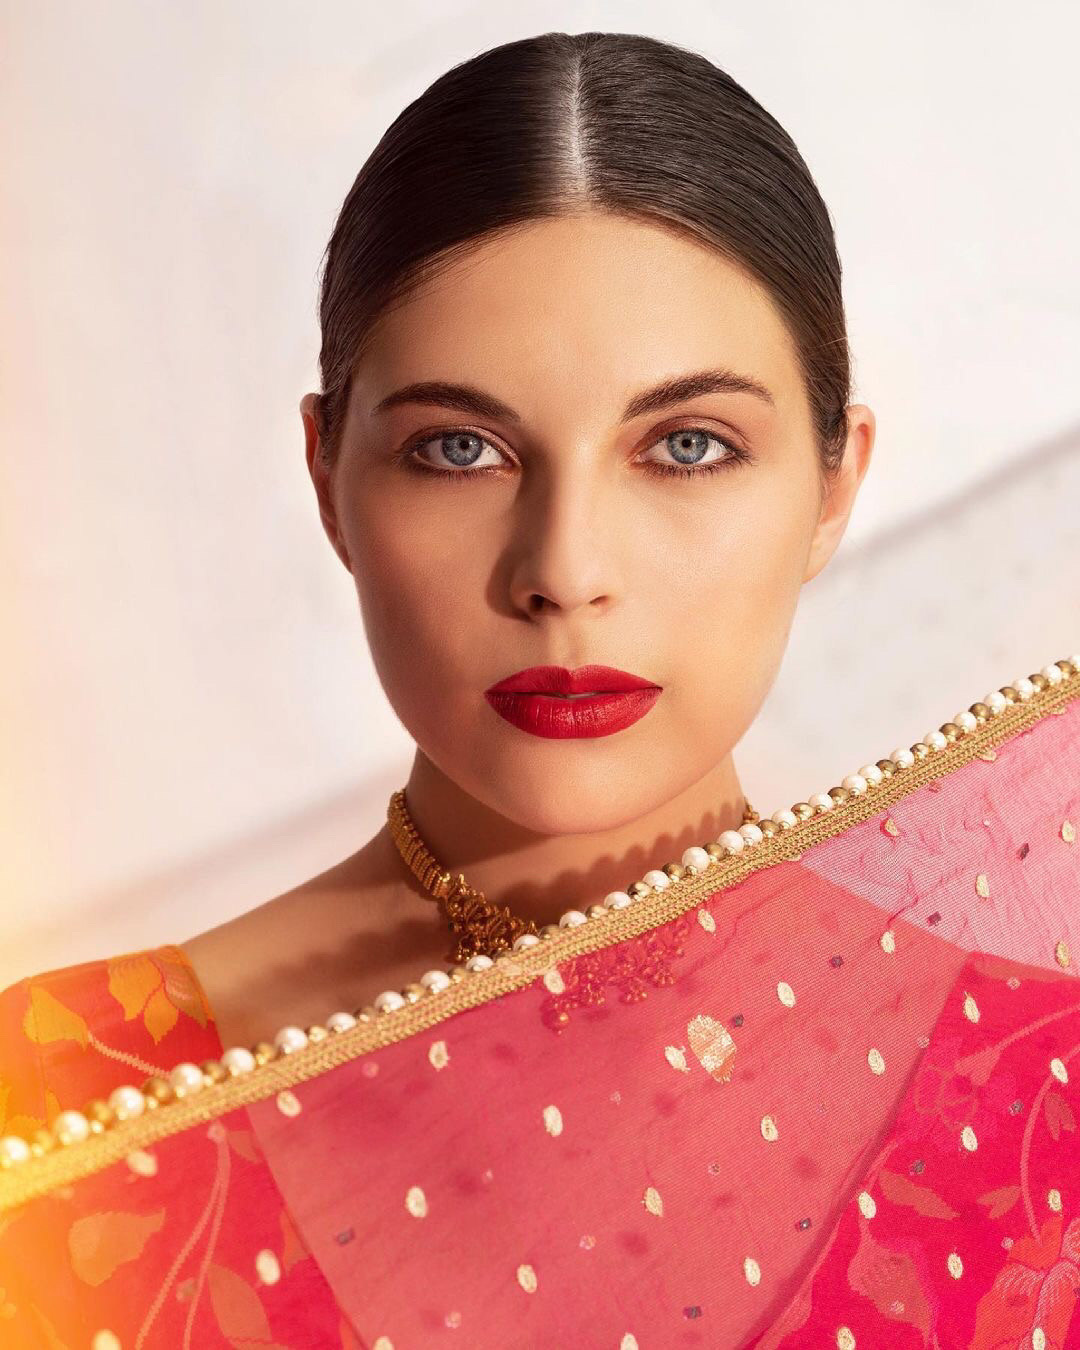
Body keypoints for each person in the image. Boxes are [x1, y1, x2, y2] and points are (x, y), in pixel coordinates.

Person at [1, 30, 1078, 1350]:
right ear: (328, 475)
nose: (564, 571)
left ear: (834, 482)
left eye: (689, 446)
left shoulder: (1046, 1102)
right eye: (460, 449)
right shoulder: (65, 1101)